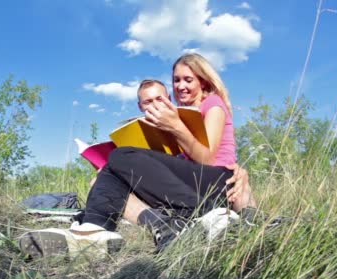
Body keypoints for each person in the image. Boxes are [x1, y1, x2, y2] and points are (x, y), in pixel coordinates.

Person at [18, 53, 256, 258]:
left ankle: (199, 215)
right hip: (191, 185)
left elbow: (207, 159)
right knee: (110, 173)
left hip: (218, 183)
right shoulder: (182, 115)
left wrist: (175, 126)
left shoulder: (212, 104)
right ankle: (94, 231)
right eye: (176, 80)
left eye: (188, 80)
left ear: (203, 81)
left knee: (121, 156)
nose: (181, 86)